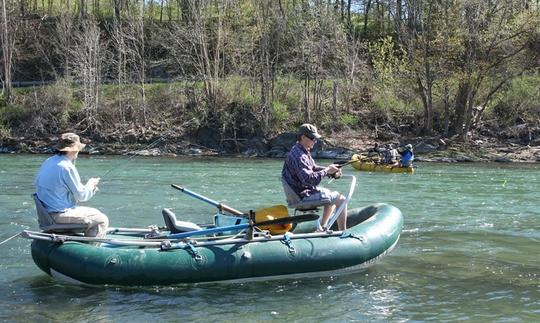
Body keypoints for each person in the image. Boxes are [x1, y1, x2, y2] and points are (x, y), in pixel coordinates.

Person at [35, 133, 109, 238]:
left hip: (46, 215)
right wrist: (91, 185)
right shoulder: (66, 167)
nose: (79, 151)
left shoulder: (49, 161)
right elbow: (82, 196)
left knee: (95, 212)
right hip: (58, 215)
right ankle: (91, 249)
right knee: (101, 219)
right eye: (78, 148)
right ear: (71, 149)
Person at [281, 124, 348, 231]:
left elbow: (313, 168)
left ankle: (322, 227)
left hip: (299, 193)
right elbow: (309, 180)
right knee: (341, 199)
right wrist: (327, 171)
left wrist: (331, 170)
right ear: (303, 137)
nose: (315, 141)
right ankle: (343, 233)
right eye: (312, 138)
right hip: (302, 196)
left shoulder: (300, 150)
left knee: (330, 195)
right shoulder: (300, 156)